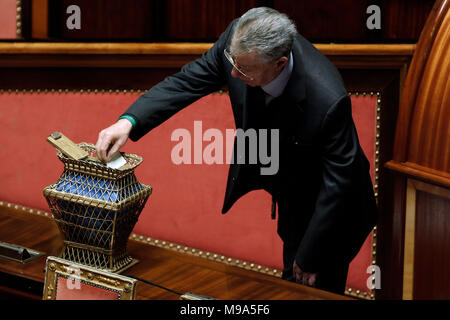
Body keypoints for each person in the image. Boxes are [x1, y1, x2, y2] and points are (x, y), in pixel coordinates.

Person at [96, 7, 378, 295]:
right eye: (232, 61)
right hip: (294, 191)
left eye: (243, 69)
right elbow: (187, 82)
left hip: (336, 212)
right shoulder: (240, 41)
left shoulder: (328, 99)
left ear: (279, 64)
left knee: (310, 287)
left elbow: (340, 184)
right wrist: (128, 122)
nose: (231, 72)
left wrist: (310, 257)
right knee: (291, 278)